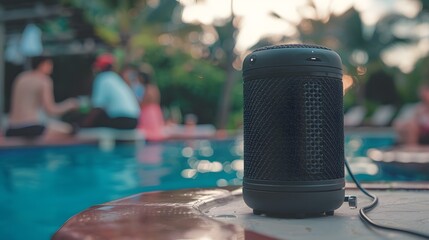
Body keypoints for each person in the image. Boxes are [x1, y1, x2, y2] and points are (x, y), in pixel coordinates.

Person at [5, 56, 78, 139]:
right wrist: (69, 105)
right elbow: (51, 110)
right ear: (43, 65)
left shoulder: (21, 77)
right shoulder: (44, 80)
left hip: (11, 129)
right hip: (31, 128)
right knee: (71, 129)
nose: (52, 67)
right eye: (50, 64)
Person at [81, 54, 140, 129]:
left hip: (122, 119)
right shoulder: (116, 78)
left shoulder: (102, 78)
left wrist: (84, 124)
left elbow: (98, 106)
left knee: (93, 122)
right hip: (135, 119)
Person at [137, 65, 165, 140]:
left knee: (149, 135)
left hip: (148, 114)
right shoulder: (154, 88)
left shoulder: (148, 89)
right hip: (156, 112)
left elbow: (143, 104)